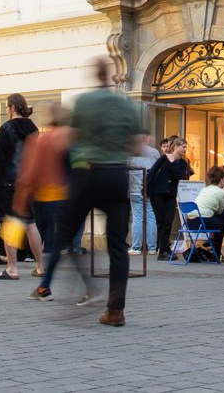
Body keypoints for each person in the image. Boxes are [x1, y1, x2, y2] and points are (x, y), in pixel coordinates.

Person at [62, 57, 142, 327]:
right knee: (118, 245)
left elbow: (71, 139)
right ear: (112, 75)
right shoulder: (126, 104)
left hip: (89, 174)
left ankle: (89, 287)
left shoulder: (84, 102)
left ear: (95, 75)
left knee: (66, 233)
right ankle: (115, 310)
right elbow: (138, 146)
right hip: (118, 175)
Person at [18, 102, 90, 303]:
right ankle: (46, 286)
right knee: (62, 245)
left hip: (48, 198)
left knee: (55, 245)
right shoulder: (75, 139)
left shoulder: (44, 140)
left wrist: (22, 198)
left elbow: (31, 171)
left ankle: (47, 286)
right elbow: (83, 168)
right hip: (71, 198)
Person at [0, 95, 45, 280]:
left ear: (12, 107)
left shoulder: (6, 128)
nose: (7, 111)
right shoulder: (33, 129)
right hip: (28, 183)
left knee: (9, 223)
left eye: (7, 107)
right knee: (30, 224)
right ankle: (40, 267)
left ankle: (12, 268)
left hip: (8, 183)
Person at [147, 136, 192, 258]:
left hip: (170, 194)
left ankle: (164, 248)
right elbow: (152, 172)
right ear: (175, 147)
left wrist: (172, 161)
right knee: (161, 221)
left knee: (168, 220)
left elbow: (177, 175)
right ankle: (163, 249)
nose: (184, 150)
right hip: (157, 193)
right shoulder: (163, 158)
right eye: (183, 147)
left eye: (185, 147)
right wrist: (147, 191)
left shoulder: (182, 163)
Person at [194, 165, 224, 259]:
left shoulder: (205, 189)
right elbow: (222, 209)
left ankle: (216, 246)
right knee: (223, 219)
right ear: (222, 179)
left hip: (191, 221)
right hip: (218, 217)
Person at [127, 137, 160, 254]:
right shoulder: (154, 152)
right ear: (147, 139)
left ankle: (136, 247)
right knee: (151, 217)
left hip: (135, 189)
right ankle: (152, 247)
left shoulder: (131, 152)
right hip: (150, 189)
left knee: (137, 218)